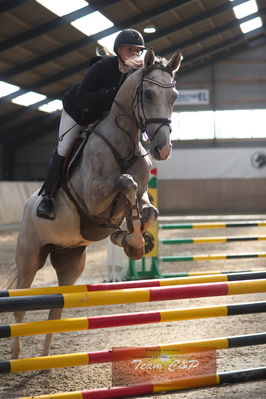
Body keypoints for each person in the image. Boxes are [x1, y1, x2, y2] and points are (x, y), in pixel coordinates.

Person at [36, 29, 146, 220]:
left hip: (106, 117)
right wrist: (115, 91)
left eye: (138, 51)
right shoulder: (102, 67)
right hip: (78, 112)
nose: (135, 54)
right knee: (64, 147)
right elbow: (83, 99)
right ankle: (48, 197)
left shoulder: (135, 75)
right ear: (118, 49)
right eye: (130, 49)